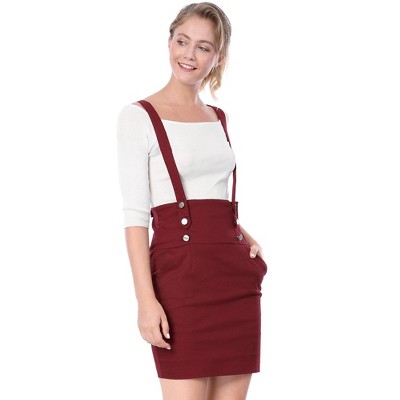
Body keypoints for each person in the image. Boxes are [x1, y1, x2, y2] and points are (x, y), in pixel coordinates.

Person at [116, 2, 268, 399]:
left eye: (203, 47)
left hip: (233, 280)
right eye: (182, 41)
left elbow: (211, 192)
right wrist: (145, 301)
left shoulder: (218, 117)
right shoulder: (138, 116)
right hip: (179, 282)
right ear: (169, 43)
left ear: (219, 57)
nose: (189, 54)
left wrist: (242, 234)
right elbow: (136, 217)